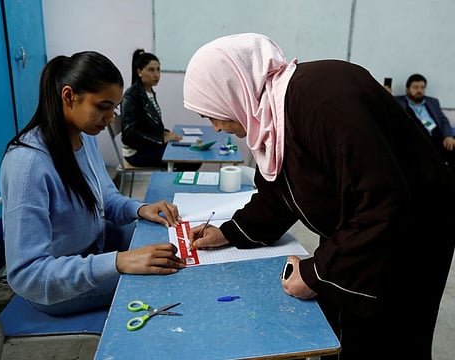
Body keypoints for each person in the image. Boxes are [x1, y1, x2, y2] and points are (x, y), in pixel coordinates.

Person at [183, 33, 455, 359]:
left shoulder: (321, 101)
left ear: (231, 88)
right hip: (363, 227)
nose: (214, 126)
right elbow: (277, 195)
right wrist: (226, 232)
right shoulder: (272, 114)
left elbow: (381, 203)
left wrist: (315, 274)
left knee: (386, 334)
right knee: (339, 322)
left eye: (211, 113)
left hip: (409, 234)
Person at [0, 51, 185, 316]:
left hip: (94, 248)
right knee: (165, 275)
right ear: (68, 96)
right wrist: (118, 261)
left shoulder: (84, 137)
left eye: (114, 108)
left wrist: (140, 209)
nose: (110, 119)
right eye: (102, 106)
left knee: (169, 240)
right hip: (57, 287)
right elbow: (28, 275)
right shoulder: (27, 163)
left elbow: (105, 199)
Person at [121, 49, 201, 171]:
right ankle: (173, 186)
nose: (156, 74)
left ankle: (175, 183)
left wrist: (164, 133)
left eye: (158, 69)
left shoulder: (149, 92)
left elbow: (147, 124)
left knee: (192, 155)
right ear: (139, 72)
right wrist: (160, 139)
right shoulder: (131, 96)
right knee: (191, 160)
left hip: (149, 146)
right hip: (137, 153)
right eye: (151, 70)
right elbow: (129, 134)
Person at [395, 74, 455, 173]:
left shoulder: (432, 102)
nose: (419, 90)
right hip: (417, 138)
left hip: (437, 137)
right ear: (407, 89)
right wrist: (385, 93)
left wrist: (448, 136)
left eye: (422, 87)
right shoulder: (398, 101)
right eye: (415, 87)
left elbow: (443, 120)